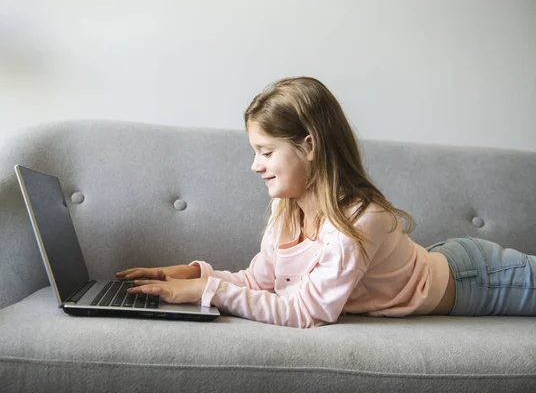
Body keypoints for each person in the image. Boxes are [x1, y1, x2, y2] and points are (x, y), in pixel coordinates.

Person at [116, 76, 536, 328]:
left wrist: (209, 291)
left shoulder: (360, 220)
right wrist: (192, 274)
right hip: (437, 262)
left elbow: (306, 313)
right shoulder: (287, 210)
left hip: (479, 279)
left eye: (265, 152)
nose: (254, 166)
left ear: (310, 145)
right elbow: (260, 282)